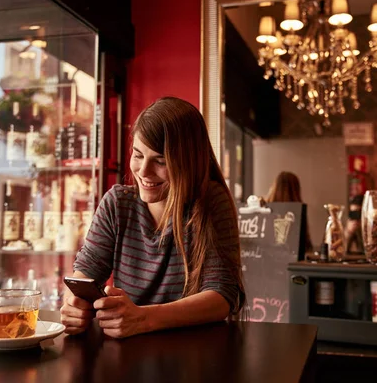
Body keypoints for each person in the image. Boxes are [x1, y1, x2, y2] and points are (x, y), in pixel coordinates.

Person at [60, 97, 246, 338]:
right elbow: (85, 272)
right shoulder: (117, 203)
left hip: (191, 356)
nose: (143, 172)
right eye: (138, 155)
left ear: (187, 163)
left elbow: (221, 297)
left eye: (160, 161)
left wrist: (143, 318)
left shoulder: (210, 201)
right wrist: (73, 303)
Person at [265, 171, 314, 253]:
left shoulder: (265, 211)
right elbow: (306, 245)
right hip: (293, 261)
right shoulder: (298, 214)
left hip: (268, 259)